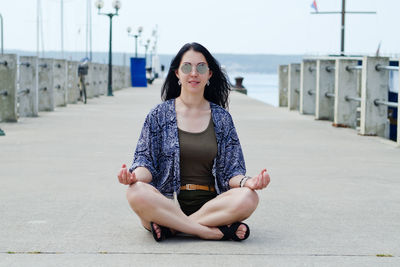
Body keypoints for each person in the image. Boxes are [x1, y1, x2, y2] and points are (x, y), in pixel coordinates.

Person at [117, 42, 270, 242]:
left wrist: (248, 182)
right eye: (187, 67)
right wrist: (132, 176)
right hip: (166, 204)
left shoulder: (222, 118)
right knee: (135, 192)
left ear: (210, 75)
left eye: (201, 67)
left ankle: (173, 229)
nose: (194, 73)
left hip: (213, 206)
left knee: (249, 197)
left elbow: (233, 170)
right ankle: (208, 231)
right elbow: (145, 161)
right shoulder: (158, 115)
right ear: (177, 74)